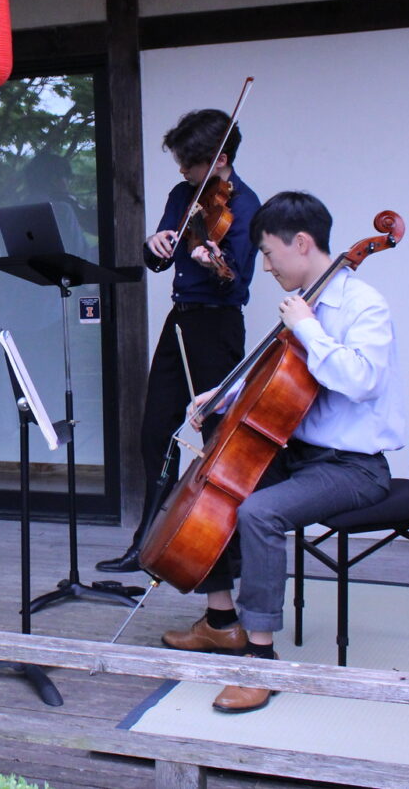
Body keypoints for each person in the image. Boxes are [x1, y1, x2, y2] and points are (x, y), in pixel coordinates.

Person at [160, 191, 404, 713]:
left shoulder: (362, 305)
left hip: (354, 466)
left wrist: (308, 328)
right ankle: (222, 622)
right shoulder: (306, 303)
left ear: (300, 243)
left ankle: (259, 660)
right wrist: (220, 395)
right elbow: (271, 377)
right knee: (220, 483)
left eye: (269, 253)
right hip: (302, 453)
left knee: (260, 512)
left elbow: (361, 381)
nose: (265, 266)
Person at [97, 108, 261, 575]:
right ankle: (147, 545)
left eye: (189, 163)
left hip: (218, 326)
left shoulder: (246, 206)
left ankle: (223, 550)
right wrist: (155, 243)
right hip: (180, 322)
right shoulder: (182, 194)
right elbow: (158, 262)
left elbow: (239, 283)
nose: (182, 172)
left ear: (220, 158)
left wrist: (215, 264)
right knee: (156, 432)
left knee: (217, 439)